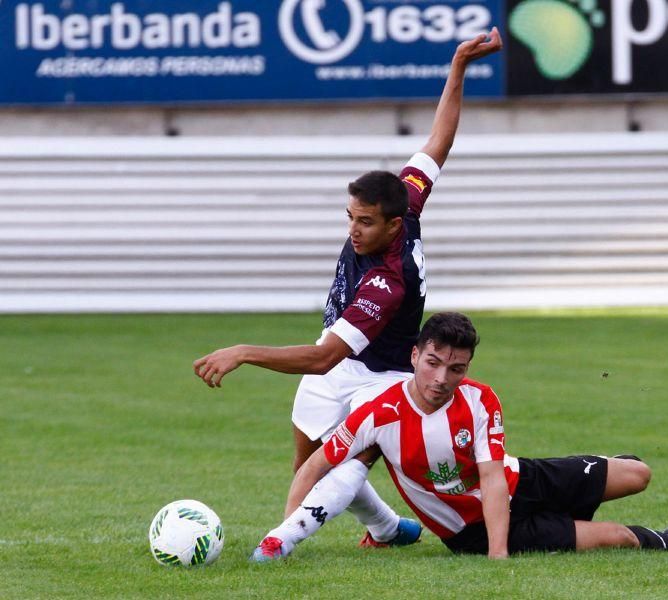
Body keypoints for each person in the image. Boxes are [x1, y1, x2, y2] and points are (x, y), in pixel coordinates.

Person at [193, 30, 504, 547]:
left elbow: (324, 359)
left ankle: (279, 544)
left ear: (390, 224)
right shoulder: (406, 198)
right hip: (337, 355)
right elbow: (438, 142)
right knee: (305, 458)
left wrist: (244, 351)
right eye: (349, 217)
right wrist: (458, 66)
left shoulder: (386, 282)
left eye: (364, 222)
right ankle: (385, 529)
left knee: (350, 458)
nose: (352, 230)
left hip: (381, 374)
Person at [250, 312, 668, 560]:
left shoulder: (480, 398)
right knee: (619, 537)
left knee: (639, 473)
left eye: (456, 368)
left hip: (516, 481)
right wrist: (283, 533)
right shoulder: (376, 415)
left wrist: (500, 557)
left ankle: (589, 482)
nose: (442, 378)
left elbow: (493, 475)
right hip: (470, 532)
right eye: (433, 363)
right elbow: (315, 466)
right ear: (414, 358)